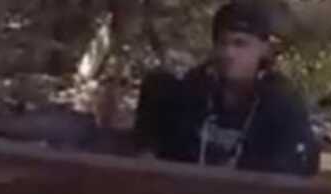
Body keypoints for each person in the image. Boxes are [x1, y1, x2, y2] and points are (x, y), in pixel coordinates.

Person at [133, 1, 320, 176]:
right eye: (223, 43)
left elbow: (298, 165)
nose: (228, 53)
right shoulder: (193, 90)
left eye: (240, 44)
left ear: (264, 49)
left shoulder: (281, 105)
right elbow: (154, 135)